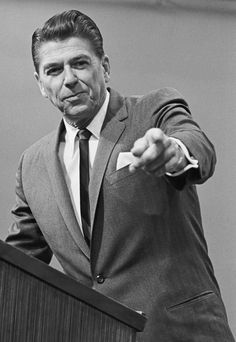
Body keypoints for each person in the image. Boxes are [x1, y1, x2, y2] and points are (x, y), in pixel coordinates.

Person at [5, 9, 235, 342]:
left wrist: (173, 154)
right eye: (53, 70)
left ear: (106, 68)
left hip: (183, 332)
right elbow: (17, 266)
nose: (68, 79)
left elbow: (195, 143)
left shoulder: (153, 110)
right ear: (41, 84)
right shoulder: (32, 165)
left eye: (80, 64)